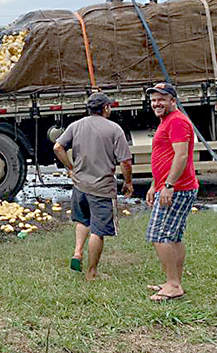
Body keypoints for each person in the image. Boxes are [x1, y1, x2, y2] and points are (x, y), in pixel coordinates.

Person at [53, 92, 134, 281]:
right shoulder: (114, 129)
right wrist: (128, 182)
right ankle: (92, 272)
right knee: (98, 230)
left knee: (83, 221)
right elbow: (125, 161)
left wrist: (71, 168)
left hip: (80, 186)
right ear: (106, 108)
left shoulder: (76, 125)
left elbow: (57, 147)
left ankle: (77, 253)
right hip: (102, 188)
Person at [144, 82, 199, 301]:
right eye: (154, 100)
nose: (156, 103)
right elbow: (164, 157)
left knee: (158, 235)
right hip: (170, 186)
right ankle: (172, 281)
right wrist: (154, 185)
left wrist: (168, 186)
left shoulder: (176, 121)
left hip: (177, 189)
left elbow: (181, 156)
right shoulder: (167, 121)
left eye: (162, 99)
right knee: (174, 236)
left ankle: (174, 285)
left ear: (173, 101)